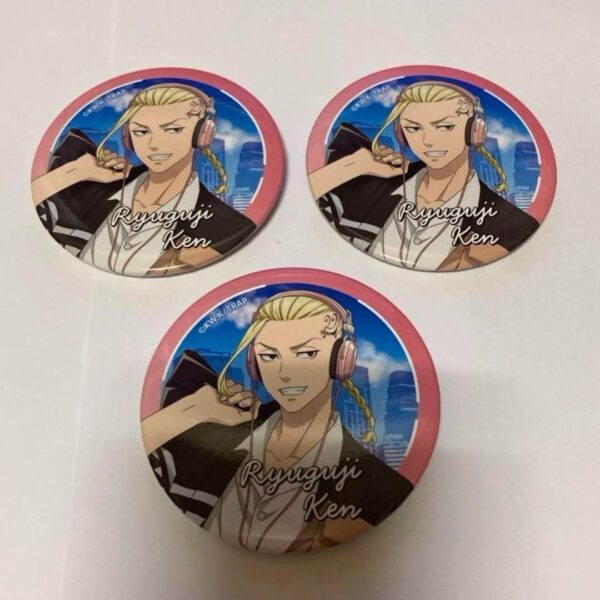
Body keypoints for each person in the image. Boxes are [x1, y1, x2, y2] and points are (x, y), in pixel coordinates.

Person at [141, 291, 412, 552]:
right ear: (254, 364)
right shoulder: (207, 438)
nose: (284, 373)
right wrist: (192, 410)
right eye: (269, 356)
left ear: (342, 360)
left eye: (306, 354)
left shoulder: (378, 487)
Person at [309, 81, 539, 271]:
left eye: (445, 127)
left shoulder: (509, 223)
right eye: (414, 128)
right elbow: (306, 203)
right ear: (400, 133)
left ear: (474, 131)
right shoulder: (368, 186)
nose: (428, 141)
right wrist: (353, 165)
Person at [32, 84, 255, 276]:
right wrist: (77, 171)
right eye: (141, 132)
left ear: (203, 135)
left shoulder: (226, 226)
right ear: (127, 137)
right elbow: (27, 207)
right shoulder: (92, 188)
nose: (154, 144)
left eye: (174, 129)